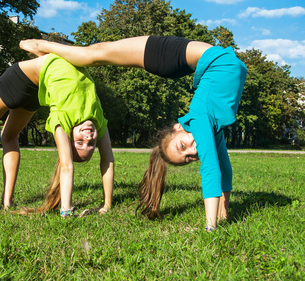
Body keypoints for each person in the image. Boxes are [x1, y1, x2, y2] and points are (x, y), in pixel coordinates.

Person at [19, 36, 246, 230]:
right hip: (195, 61)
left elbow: (213, 170)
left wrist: (213, 225)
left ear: (179, 127)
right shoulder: (208, 126)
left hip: (177, 57)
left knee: (97, 53)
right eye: (188, 155)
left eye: (183, 147)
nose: (194, 150)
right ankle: (43, 46)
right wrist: (218, 219)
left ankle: (43, 46)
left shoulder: (200, 122)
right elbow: (220, 168)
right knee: (97, 53)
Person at [0, 53, 114, 217]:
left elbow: (67, 165)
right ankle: (8, 202)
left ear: (69, 136)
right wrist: (106, 205)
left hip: (22, 79)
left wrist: (67, 210)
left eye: (79, 143)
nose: (88, 139)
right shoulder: (96, 120)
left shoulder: (63, 119)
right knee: (9, 136)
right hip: (38, 88)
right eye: (90, 145)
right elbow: (108, 160)